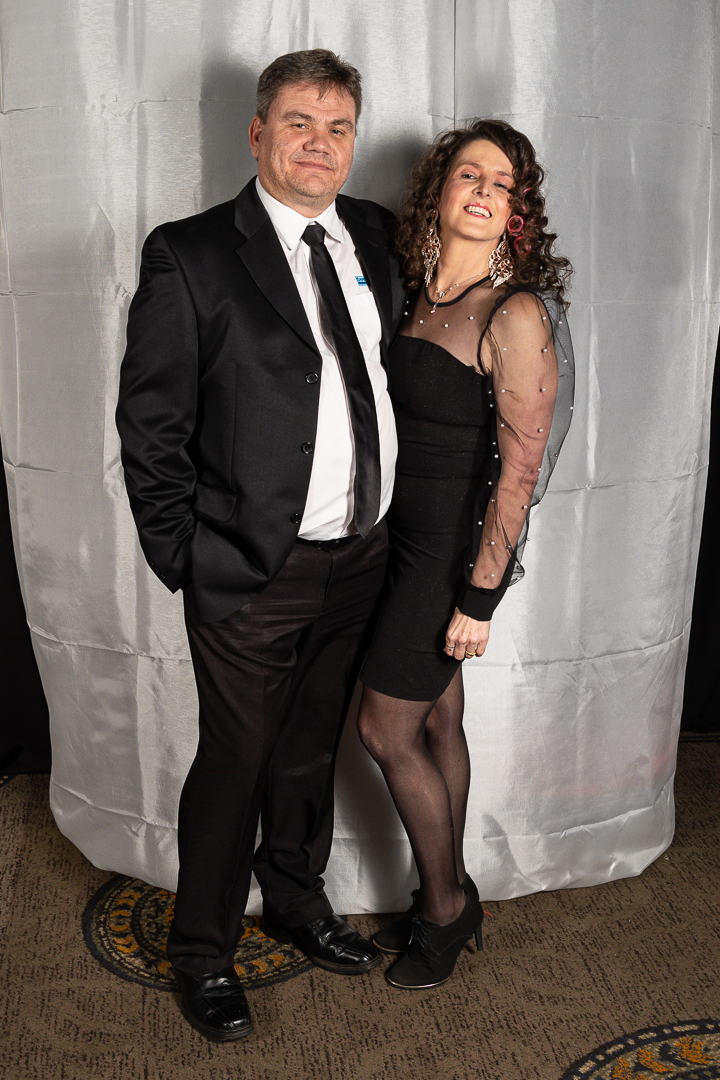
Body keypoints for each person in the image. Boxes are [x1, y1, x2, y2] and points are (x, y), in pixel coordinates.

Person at [116, 49, 405, 1040]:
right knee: (236, 760)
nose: (319, 144)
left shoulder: (376, 233)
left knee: (309, 750)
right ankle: (202, 953)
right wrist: (189, 557)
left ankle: (294, 897)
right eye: (298, 123)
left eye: (337, 127)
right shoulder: (190, 255)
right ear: (257, 134)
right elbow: (151, 428)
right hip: (248, 568)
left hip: (360, 557)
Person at [357, 119, 574, 990]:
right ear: (439, 189)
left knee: (384, 729)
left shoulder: (514, 313)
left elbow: (518, 474)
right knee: (440, 721)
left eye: (503, 184)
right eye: (469, 175)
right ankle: (449, 893)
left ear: (518, 212)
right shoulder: (416, 290)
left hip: (445, 557)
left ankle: (445, 910)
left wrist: (478, 600)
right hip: (390, 538)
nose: (484, 192)